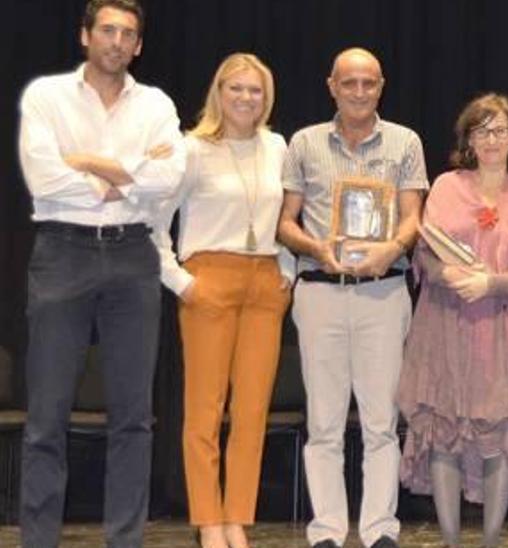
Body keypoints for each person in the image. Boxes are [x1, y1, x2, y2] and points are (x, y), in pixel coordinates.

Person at [16, 1, 185, 546]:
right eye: (107, 29)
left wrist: (86, 162)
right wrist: (131, 174)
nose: (116, 40)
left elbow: (171, 177)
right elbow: (43, 180)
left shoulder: (156, 104)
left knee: (133, 418)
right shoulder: (46, 97)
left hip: (133, 257)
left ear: (138, 46)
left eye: (128, 33)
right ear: (84, 36)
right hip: (62, 253)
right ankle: (38, 539)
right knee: (47, 416)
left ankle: (125, 539)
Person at [277, 47, 426, 548]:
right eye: (349, 83)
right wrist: (315, 247)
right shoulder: (303, 143)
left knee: (382, 421)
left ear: (381, 86)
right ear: (331, 86)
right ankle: (327, 533)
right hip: (319, 292)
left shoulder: (405, 142)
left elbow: (412, 219)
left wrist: (395, 247)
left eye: (368, 83)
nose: (359, 92)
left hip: (383, 293)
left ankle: (381, 530)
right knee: (324, 422)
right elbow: (284, 223)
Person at [150, 52, 293, 548]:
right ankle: (209, 519)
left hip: (264, 283)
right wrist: (182, 282)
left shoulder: (278, 147)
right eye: (236, 88)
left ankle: (238, 517)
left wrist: (288, 273)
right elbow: (153, 223)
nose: (246, 98)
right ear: (218, 92)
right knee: (204, 411)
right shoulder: (192, 149)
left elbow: (289, 217)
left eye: (255, 90)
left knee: (253, 411)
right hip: (209, 275)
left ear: (266, 97)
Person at [397, 93, 508, 548]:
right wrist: (448, 276)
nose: (491, 139)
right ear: (468, 139)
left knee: (500, 431)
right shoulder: (445, 186)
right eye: (481, 130)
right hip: (444, 320)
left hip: (500, 327)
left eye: (500, 129)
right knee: (443, 430)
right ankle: (450, 540)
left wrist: (491, 284)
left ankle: (491, 540)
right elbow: (426, 249)